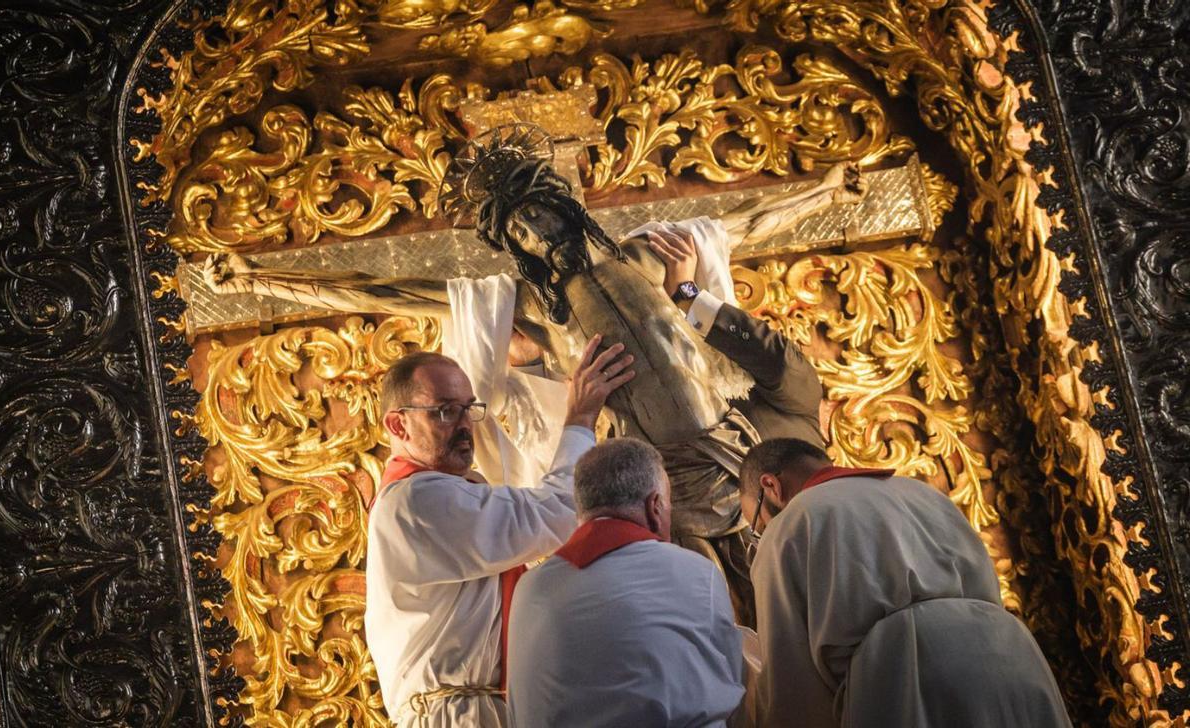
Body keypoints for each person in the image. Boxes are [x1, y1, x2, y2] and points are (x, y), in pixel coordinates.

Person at [202, 124, 857, 622]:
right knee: (719, 632)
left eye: (537, 218)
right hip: (669, 498)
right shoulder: (540, 312)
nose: (536, 236)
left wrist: (825, 192)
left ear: (562, 207)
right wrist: (261, 277)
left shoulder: (646, 254)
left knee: (813, 609)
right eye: (520, 234)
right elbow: (386, 291)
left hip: (735, 459)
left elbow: (742, 224)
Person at [364, 334, 634, 727]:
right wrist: (580, 416)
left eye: (468, 409)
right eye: (445, 411)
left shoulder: (452, 490)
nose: (464, 425)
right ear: (398, 424)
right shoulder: (415, 501)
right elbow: (558, 511)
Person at [739, 438, 1072, 728]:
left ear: (771, 486)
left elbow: (791, 676)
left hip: (909, 670)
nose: (763, 530)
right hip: (1010, 653)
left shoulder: (791, 524)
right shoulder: (924, 493)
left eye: (757, 522)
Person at [507, 438, 744, 728]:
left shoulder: (529, 588)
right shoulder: (695, 571)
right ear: (655, 506)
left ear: (581, 510)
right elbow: (731, 679)